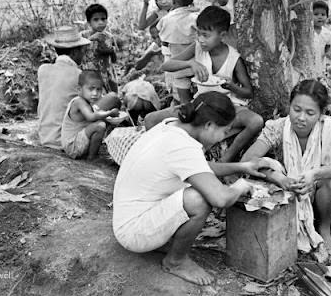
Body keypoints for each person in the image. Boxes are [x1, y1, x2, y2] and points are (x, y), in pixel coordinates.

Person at [112, 92, 271, 285]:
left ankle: (165, 242)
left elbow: (198, 168)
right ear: (209, 125)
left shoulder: (172, 125)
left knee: (198, 189)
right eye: (224, 131)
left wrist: (242, 167)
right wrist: (242, 184)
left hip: (129, 216)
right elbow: (220, 199)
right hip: (133, 232)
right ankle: (175, 261)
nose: (224, 136)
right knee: (200, 199)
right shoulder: (183, 146)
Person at [241, 80, 331, 257]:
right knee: (258, 174)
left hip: (318, 188)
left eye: (310, 113)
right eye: (296, 110)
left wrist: (315, 174)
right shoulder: (279, 127)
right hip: (287, 188)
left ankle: (324, 226)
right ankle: (286, 224)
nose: (301, 117)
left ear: (321, 115)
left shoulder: (329, 128)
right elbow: (248, 160)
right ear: (289, 106)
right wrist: (278, 177)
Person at [161, 6, 263, 162]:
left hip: (229, 107)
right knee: (150, 119)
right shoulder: (197, 49)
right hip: (201, 106)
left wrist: (231, 86)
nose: (201, 39)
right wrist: (190, 64)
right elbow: (166, 66)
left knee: (256, 121)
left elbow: (248, 92)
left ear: (222, 35)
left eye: (206, 35)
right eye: (199, 34)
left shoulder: (234, 58)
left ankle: (226, 159)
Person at [37, 26, 91, 149]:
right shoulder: (78, 75)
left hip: (45, 137)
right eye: (82, 50)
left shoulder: (42, 70)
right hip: (64, 141)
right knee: (108, 101)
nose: (83, 54)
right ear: (74, 52)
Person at [60, 70, 120, 160]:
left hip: (80, 140)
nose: (95, 93)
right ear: (79, 89)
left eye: (98, 89)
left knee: (101, 121)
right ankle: (92, 157)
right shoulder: (79, 102)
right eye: (91, 89)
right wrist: (110, 113)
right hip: (72, 146)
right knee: (100, 126)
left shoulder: (88, 100)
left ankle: (91, 152)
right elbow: (91, 117)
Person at [157, 0, 199, 104]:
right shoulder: (196, 17)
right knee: (199, 98)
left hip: (178, 67)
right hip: (197, 65)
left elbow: (162, 37)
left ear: (173, 1)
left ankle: (184, 114)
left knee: (184, 102)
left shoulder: (166, 19)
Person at [136, 0, 175, 70]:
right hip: (159, 43)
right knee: (141, 62)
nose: (163, 1)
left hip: (174, 46)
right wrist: (145, 5)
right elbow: (142, 26)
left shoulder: (178, 12)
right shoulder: (159, 12)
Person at [81, 3, 119, 93]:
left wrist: (111, 51)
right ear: (89, 22)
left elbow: (114, 60)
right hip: (90, 74)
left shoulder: (109, 37)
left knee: (111, 96)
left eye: (103, 19)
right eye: (96, 19)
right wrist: (92, 39)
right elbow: (79, 53)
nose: (101, 22)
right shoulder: (83, 36)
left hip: (107, 74)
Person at [312, 0, 331, 80]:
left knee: (318, 79)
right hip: (310, 62)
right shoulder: (308, 32)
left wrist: (328, 52)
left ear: (327, 17)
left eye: (323, 14)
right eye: (316, 14)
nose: (320, 17)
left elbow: (328, 46)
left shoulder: (327, 33)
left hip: (321, 64)